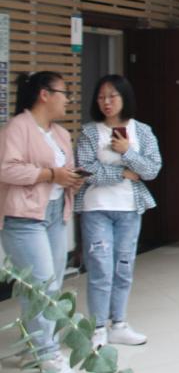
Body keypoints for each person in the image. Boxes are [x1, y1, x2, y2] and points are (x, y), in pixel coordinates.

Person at [0, 72, 82, 373]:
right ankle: (46, 353)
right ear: (44, 95)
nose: (68, 100)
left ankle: (33, 347)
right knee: (42, 286)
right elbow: (6, 169)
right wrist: (50, 175)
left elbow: (65, 170)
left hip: (55, 214)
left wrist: (72, 178)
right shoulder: (17, 127)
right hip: (24, 218)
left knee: (51, 285)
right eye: (64, 93)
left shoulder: (60, 133)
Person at [75, 75, 162, 349]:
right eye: (101, 97)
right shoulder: (90, 132)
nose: (106, 102)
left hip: (129, 209)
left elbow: (152, 169)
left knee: (123, 268)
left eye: (112, 96)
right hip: (96, 209)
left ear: (125, 98)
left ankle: (120, 325)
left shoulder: (142, 131)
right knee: (100, 269)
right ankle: (98, 327)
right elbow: (86, 170)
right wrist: (123, 173)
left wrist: (127, 152)